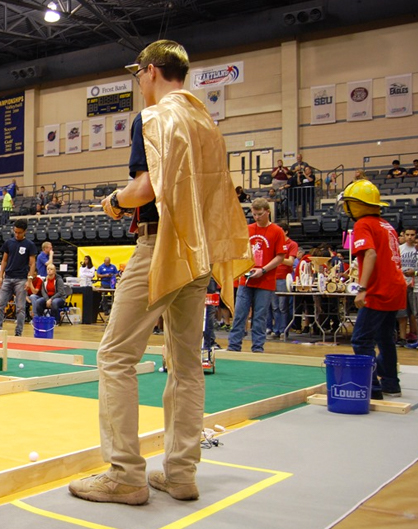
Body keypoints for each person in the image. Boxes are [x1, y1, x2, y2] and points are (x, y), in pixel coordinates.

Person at [68, 40, 250, 506]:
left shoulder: (153, 118)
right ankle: (181, 473)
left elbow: (147, 187)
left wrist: (113, 200)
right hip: (199, 252)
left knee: (114, 355)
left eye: (138, 74)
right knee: (187, 364)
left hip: (160, 244)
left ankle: (125, 474)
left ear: (150, 71)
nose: (139, 82)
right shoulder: (206, 122)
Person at [338, 180, 404, 399]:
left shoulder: (363, 224)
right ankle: (391, 384)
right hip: (395, 287)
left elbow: (371, 254)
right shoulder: (387, 225)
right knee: (385, 338)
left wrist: (362, 288)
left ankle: (372, 387)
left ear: (357, 205)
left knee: (361, 340)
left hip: (378, 289)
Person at [226, 198, 286, 353]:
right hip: (245, 279)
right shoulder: (247, 229)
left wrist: (263, 270)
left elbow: (280, 256)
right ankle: (233, 347)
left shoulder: (277, 231)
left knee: (260, 316)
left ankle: (258, 349)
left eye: (259, 214)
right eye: (254, 214)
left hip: (265, 280)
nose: (257, 217)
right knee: (239, 314)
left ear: (268, 212)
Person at [0, 218, 38, 337]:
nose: (17, 234)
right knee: (0, 305)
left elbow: (32, 263)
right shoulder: (9, 243)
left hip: (21, 279)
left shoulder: (29, 245)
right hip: (7, 278)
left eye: (19, 232)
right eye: (15, 232)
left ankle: (18, 333)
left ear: (25, 232)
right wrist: (0, 276)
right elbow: (4, 260)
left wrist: (29, 279)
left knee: (20, 308)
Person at [269, 221, 298, 340]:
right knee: (274, 306)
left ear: (285, 231)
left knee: (282, 306)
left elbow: (291, 262)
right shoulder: (274, 243)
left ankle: (283, 330)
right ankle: (276, 329)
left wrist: (278, 259)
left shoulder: (292, 244)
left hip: (283, 278)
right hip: (272, 276)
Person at [397, 228, 418, 346]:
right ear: (404, 235)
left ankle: (414, 336)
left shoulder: (417, 249)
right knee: (402, 313)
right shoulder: (400, 249)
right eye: (408, 234)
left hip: (415, 285)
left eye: (412, 235)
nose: (410, 237)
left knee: (415, 314)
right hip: (402, 284)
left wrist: (414, 275)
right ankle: (402, 337)